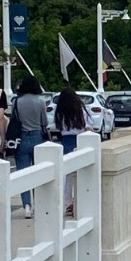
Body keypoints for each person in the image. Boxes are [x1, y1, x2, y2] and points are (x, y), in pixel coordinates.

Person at [9, 76, 48, 219]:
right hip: (37, 137)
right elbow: (44, 122)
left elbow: (14, 119)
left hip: (22, 138)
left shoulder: (16, 102)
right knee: (38, 172)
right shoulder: (40, 102)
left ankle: (27, 205)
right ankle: (38, 203)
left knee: (23, 173)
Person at [53, 86, 89, 216]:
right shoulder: (80, 109)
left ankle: (68, 202)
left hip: (66, 140)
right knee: (81, 172)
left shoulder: (60, 112)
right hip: (79, 139)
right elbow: (86, 125)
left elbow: (58, 127)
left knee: (67, 175)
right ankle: (79, 200)